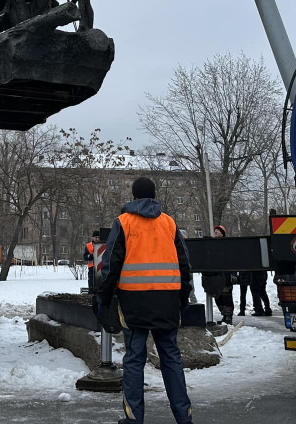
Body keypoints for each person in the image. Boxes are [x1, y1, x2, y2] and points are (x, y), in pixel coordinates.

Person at [99, 177, 194, 424]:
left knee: (134, 360)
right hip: (168, 302)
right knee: (171, 358)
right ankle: (184, 418)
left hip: (134, 303)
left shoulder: (123, 222)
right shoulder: (169, 223)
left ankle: (133, 419)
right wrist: (183, 297)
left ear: (133, 197)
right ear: (154, 196)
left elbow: (111, 264)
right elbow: (185, 264)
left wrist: (104, 297)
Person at [201, 225, 235, 325]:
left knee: (226, 296)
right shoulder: (213, 244)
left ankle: (228, 316)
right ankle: (224, 314)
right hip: (216, 277)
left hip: (226, 275)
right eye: (215, 230)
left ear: (222, 233)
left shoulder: (227, 244)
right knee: (218, 296)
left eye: (218, 230)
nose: (215, 232)